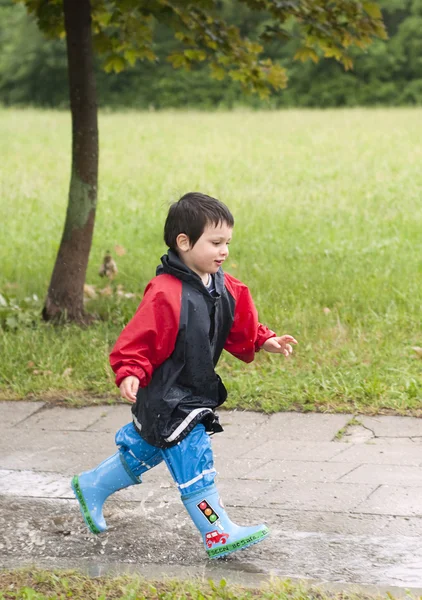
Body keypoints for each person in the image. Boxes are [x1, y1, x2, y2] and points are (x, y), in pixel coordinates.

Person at [71, 192, 297, 559]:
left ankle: (92, 484)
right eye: (215, 243)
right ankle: (217, 531)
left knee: (147, 449)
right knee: (193, 454)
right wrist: (130, 372)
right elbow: (139, 338)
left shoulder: (223, 285)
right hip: (166, 394)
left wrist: (263, 339)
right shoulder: (165, 293)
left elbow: (240, 319)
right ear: (184, 242)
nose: (224, 251)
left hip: (192, 387)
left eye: (227, 243)